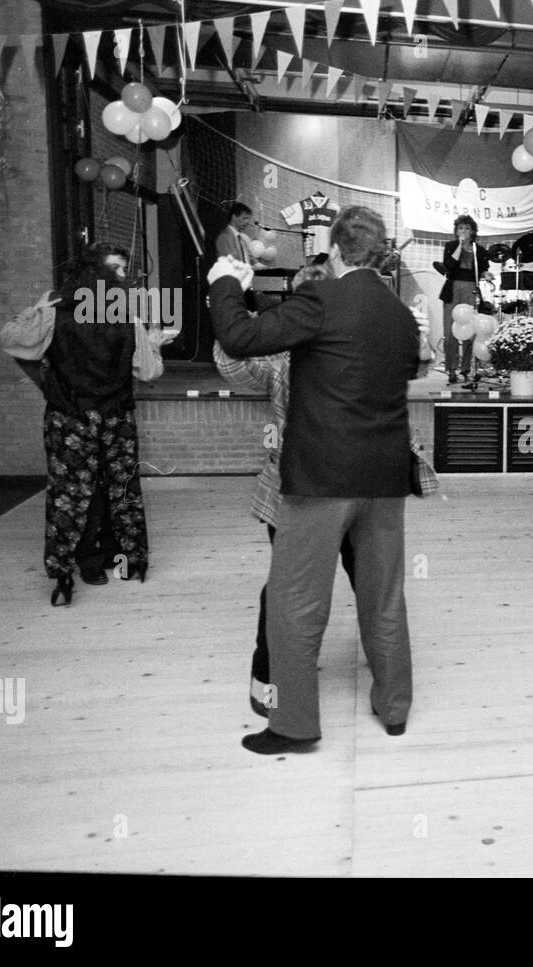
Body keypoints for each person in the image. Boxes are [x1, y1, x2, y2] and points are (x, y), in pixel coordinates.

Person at [209, 205, 421, 754]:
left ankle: (295, 725)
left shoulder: (322, 299)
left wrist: (226, 284)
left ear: (334, 248)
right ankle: (394, 708)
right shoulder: (400, 316)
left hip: (322, 481)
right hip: (385, 481)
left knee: (294, 604)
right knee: (384, 598)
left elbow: (238, 337)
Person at [213, 261, 357, 718]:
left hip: (352, 488)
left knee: (358, 582)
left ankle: (282, 674)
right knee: (288, 589)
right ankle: (269, 677)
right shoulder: (279, 358)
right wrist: (228, 299)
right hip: (299, 491)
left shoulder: (350, 348)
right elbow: (231, 359)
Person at [41, 243, 170, 605]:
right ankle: (125, 560)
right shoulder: (127, 316)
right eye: (116, 270)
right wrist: (155, 346)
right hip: (114, 415)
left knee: (69, 496)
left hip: (69, 418)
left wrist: (48, 381)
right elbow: (148, 371)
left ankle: (70, 573)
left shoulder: (53, 311)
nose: (121, 277)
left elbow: (13, 340)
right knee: (120, 489)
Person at [437, 214, 487, 385]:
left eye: (466, 228)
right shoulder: (451, 246)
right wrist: (460, 245)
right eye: (460, 228)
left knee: (469, 331)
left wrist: (486, 275)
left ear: (472, 231)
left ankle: (466, 368)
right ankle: (451, 369)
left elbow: (482, 270)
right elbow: (449, 267)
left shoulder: (478, 249)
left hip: (470, 290)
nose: (463, 231)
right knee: (450, 331)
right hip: (452, 291)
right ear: (456, 231)